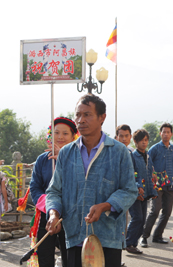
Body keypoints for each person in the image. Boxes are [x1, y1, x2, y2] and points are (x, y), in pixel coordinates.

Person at [46, 94, 138, 267]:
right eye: (78, 115)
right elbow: (54, 190)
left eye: (87, 115)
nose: (81, 120)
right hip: (74, 237)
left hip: (108, 239)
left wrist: (105, 206)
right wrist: (53, 213)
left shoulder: (119, 152)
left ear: (102, 117)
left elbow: (129, 190)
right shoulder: (66, 153)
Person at [29, 117, 79, 267]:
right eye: (56, 132)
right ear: (51, 135)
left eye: (65, 133)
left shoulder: (79, 159)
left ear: (73, 136)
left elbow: (81, 183)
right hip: (46, 213)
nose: (60, 137)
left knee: (70, 256)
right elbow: (35, 186)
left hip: (71, 214)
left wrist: (62, 160)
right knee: (44, 253)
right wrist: (48, 206)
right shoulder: (42, 160)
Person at [141, 123, 173, 246]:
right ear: (160, 133)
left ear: (171, 134)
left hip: (170, 185)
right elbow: (147, 164)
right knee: (155, 210)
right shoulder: (154, 148)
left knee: (168, 211)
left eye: (168, 132)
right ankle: (144, 236)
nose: (166, 134)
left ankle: (157, 235)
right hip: (157, 185)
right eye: (164, 132)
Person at [126, 129, 158, 254]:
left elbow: (150, 173)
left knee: (142, 219)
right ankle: (128, 242)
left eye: (146, 140)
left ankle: (133, 243)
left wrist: (153, 191)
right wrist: (137, 187)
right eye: (141, 140)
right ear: (135, 142)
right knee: (137, 218)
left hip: (145, 192)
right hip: (135, 193)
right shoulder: (133, 156)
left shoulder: (148, 156)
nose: (144, 143)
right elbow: (132, 174)